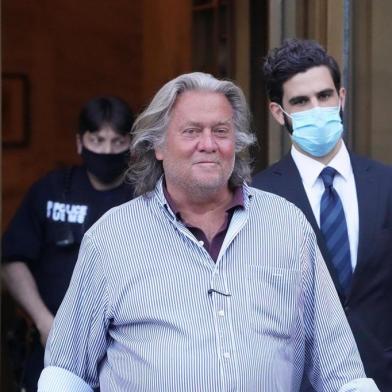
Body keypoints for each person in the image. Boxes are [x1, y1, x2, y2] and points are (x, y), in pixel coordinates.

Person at [38, 72, 378, 392]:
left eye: (221, 131)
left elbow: (342, 375)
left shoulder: (287, 226)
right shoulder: (111, 238)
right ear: (157, 146)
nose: (208, 144)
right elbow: (65, 374)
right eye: (191, 131)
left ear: (237, 142)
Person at [252, 38, 392, 390]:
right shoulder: (258, 196)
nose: (316, 109)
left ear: (341, 97)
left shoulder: (387, 184)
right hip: (299, 382)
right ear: (277, 112)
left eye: (324, 96)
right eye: (300, 101)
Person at [1, 95, 135, 392]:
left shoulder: (146, 198)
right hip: (51, 344)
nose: (107, 150)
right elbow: (12, 261)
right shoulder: (51, 190)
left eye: (117, 142)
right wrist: (44, 322)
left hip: (126, 350)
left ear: (131, 144)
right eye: (97, 140)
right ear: (80, 142)